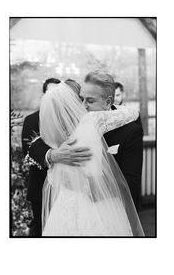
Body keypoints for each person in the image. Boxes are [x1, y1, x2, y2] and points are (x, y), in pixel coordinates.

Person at [40, 81, 144, 236]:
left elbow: (54, 177)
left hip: (66, 200)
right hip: (97, 202)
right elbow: (130, 113)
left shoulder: (54, 134)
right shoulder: (89, 122)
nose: (84, 104)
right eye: (81, 99)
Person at [81, 71, 143, 210]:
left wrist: (89, 188)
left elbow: (131, 184)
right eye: (82, 99)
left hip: (113, 209)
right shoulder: (78, 122)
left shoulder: (130, 130)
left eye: (90, 101)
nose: (83, 106)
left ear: (108, 102)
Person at [21, 77, 61, 236]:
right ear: (44, 94)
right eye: (50, 92)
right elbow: (28, 152)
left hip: (64, 188)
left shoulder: (66, 120)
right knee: (40, 227)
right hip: (40, 185)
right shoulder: (31, 120)